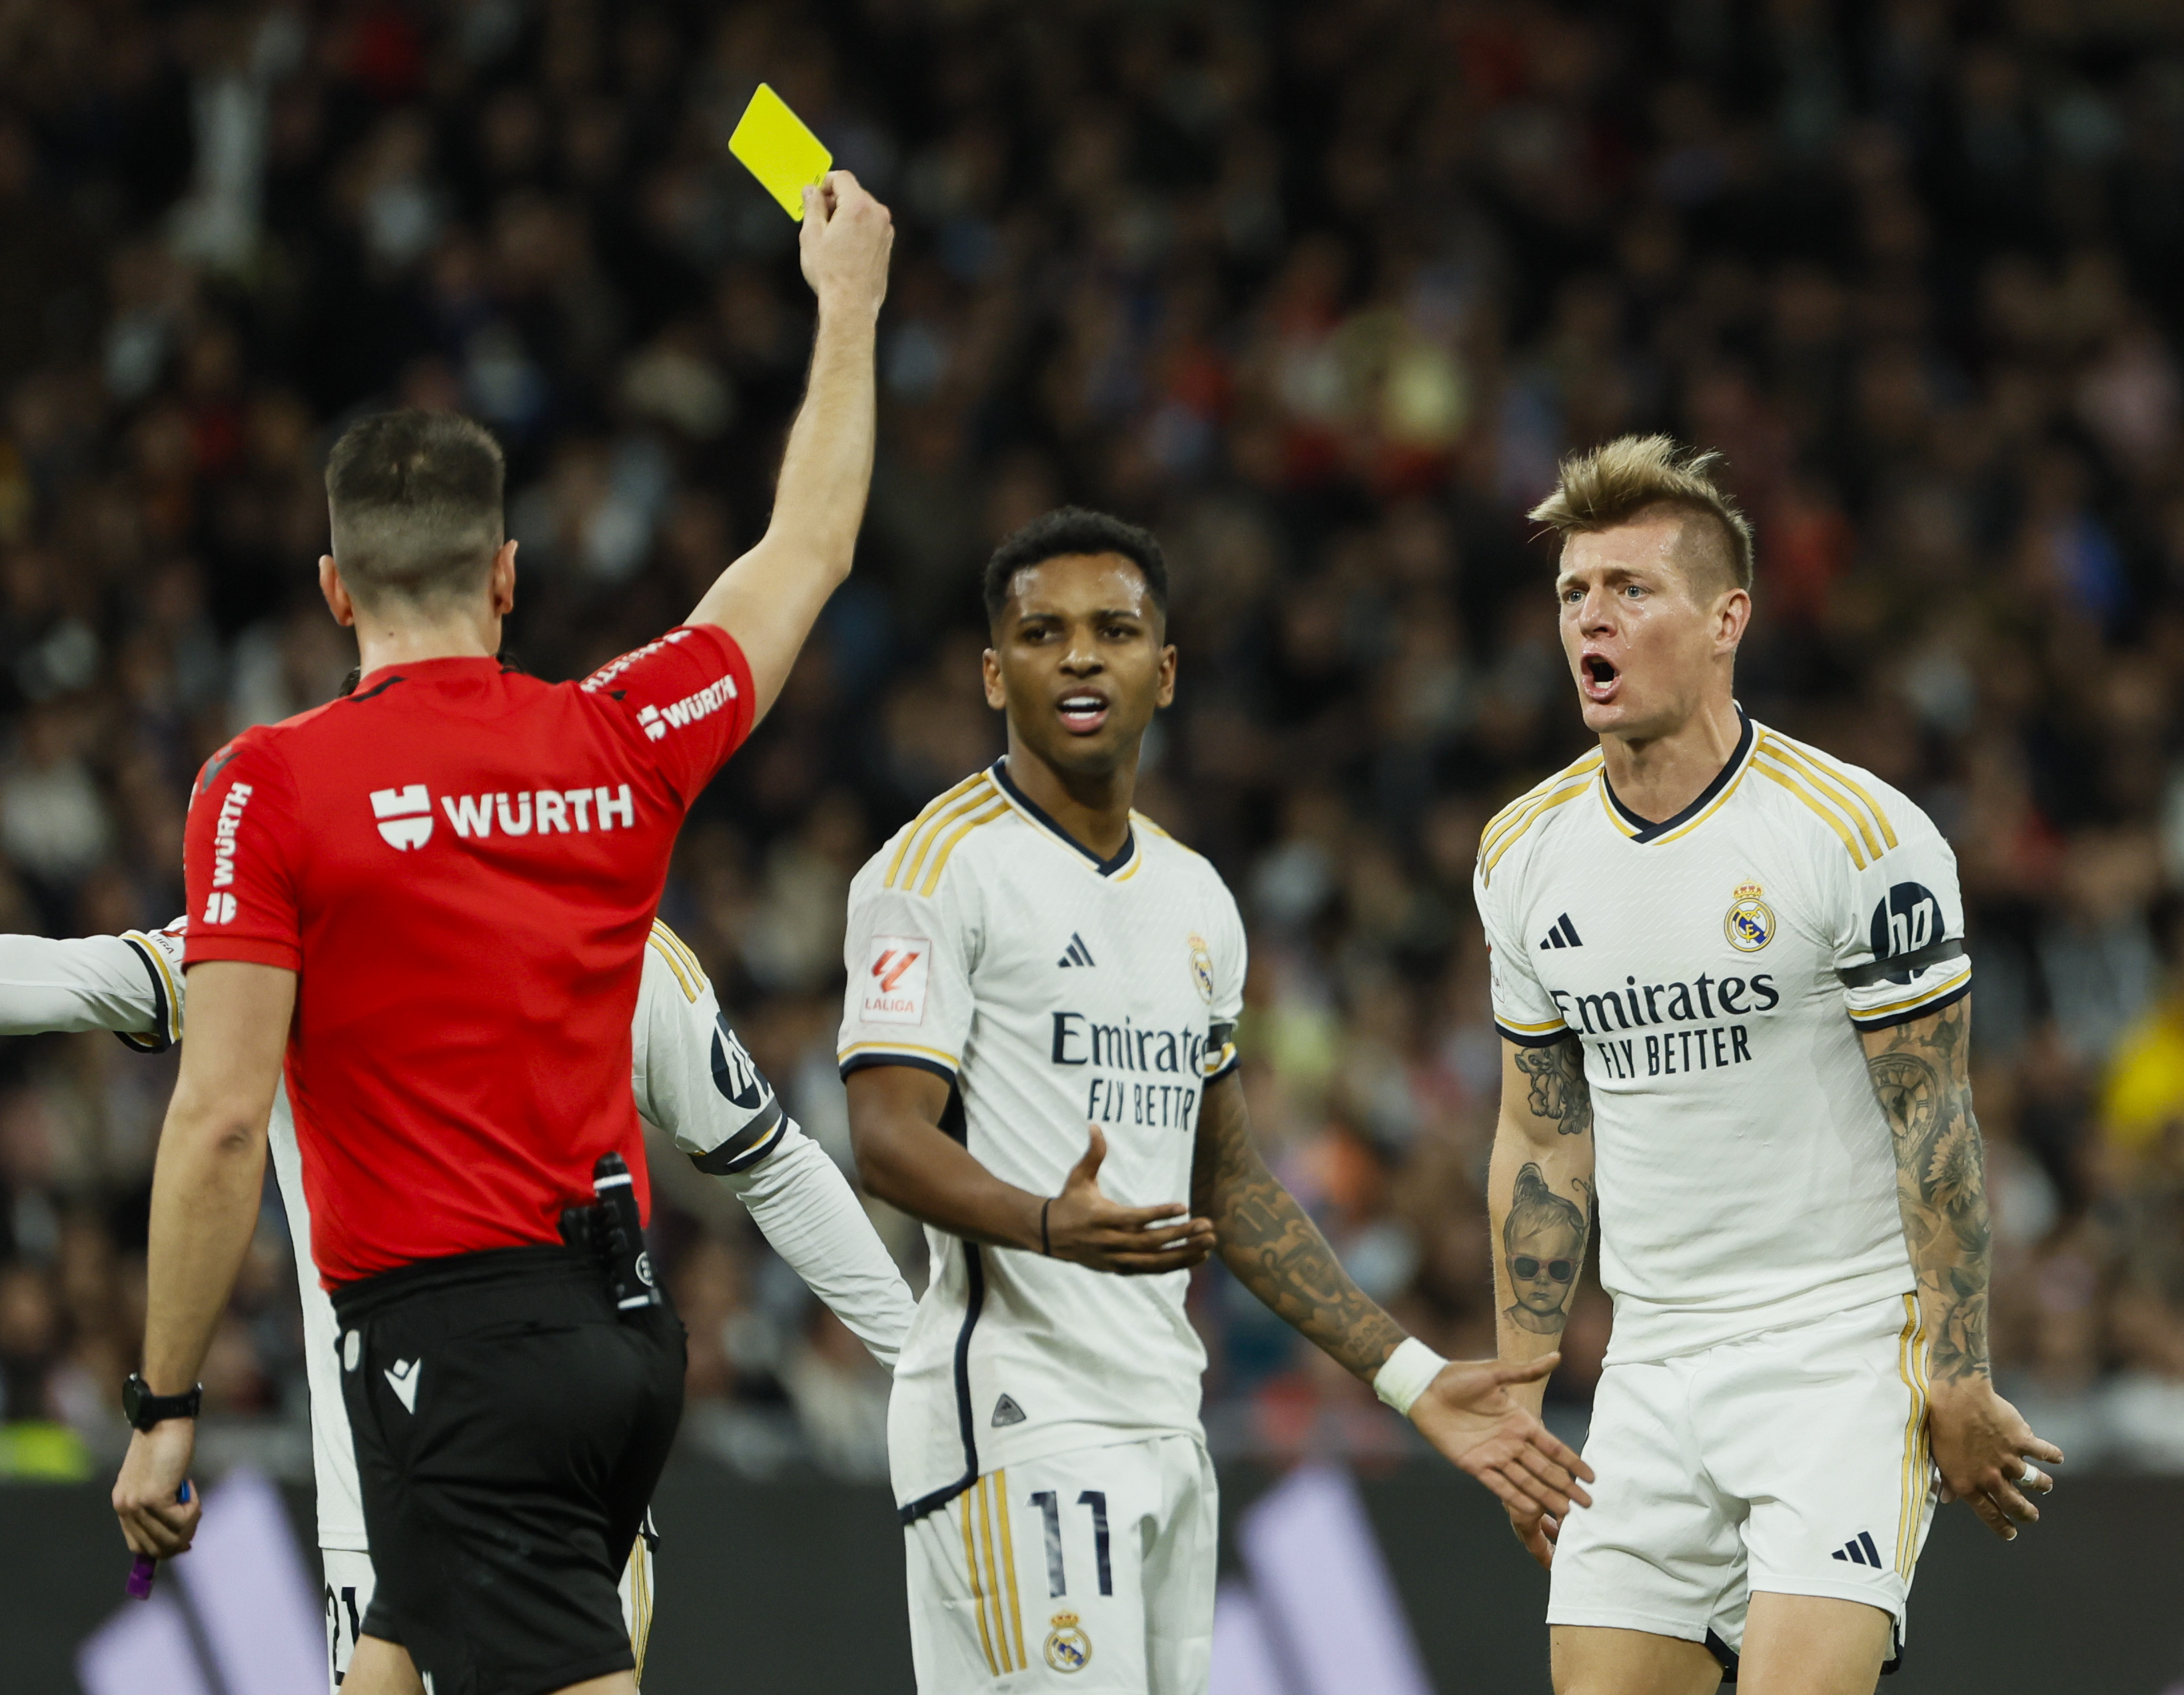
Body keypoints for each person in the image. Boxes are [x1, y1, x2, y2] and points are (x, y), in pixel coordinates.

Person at [109, 172, 891, 1695]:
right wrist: (847, 305)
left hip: (450, 1352)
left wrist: (164, 1401)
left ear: (334, 590)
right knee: (384, 1672)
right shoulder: (617, 737)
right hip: (617, 1333)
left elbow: (215, 1121)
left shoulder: (265, 790)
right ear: (508, 578)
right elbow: (804, 552)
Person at [0, 913, 915, 1684]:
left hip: (550, 1495)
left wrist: (924, 1365)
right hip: (389, 1509)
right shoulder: (300, 919)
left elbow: (774, 1161)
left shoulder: (586, 933)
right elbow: (95, 976)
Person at [839, 506, 1594, 1694]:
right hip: (1017, 1424)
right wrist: (1046, 1224)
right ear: (995, 673)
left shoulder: (1195, 900)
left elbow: (1231, 1186)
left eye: (1114, 629)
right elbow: (883, 1135)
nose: (1081, 655)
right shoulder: (934, 869)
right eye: (1042, 633)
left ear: (1166, 669)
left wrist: (1407, 1377)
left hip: (1165, 1428)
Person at [1477, 436, 2063, 1695]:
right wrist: (1523, 1396)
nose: (1594, 615)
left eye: (1632, 587)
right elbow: (1542, 1138)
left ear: (1727, 616)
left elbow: (1936, 1124)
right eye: (1576, 591)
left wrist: (1957, 1373)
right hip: (1648, 1360)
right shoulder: (1523, 855)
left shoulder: (1856, 834)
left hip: (1840, 1346)